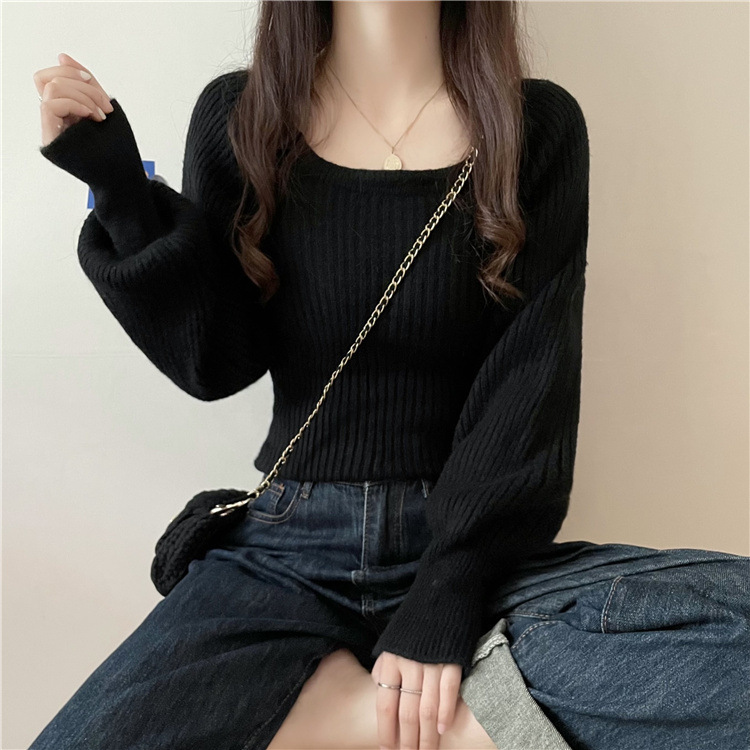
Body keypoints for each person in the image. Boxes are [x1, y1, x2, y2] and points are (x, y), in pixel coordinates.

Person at [30, 2, 749, 749]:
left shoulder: (536, 127)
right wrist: (120, 190)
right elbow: (215, 361)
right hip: (288, 552)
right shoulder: (240, 116)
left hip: (472, 552)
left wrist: (445, 597)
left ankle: (372, 711)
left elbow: (530, 388)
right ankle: (408, 716)